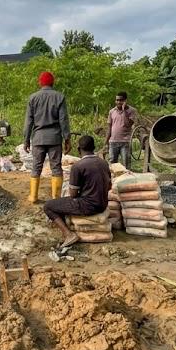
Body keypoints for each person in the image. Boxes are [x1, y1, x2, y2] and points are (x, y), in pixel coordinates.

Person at [43, 135, 111, 248]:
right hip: (103, 204)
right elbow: (109, 186)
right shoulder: (103, 163)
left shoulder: (78, 166)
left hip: (88, 206)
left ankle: (69, 234)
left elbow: (73, 194)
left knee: (48, 206)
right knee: (61, 203)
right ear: (93, 147)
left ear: (79, 149)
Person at [24, 71, 71, 203]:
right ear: (52, 82)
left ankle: (33, 196)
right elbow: (63, 120)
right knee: (56, 167)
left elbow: (28, 121)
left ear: (40, 83)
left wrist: (26, 139)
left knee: (36, 166)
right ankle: (56, 198)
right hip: (55, 138)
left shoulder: (33, 98)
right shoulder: (59, 97)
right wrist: (67, 138)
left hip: (38, 137)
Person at [105, 91, 137, 171]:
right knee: (112, 164)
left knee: (126, 164)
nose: (118, 102)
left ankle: (127, 181)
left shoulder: (131, 111)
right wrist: (106, 142)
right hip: (113, 141)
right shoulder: (112, 111)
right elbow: (109, 127)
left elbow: (129, 124)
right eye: (117, 100)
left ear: (125, 101)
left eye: (121, 100)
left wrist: (124, 111)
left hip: (125, 141)